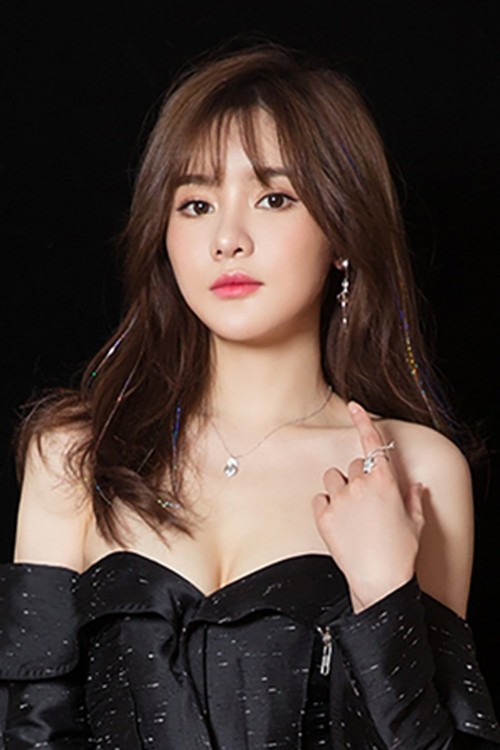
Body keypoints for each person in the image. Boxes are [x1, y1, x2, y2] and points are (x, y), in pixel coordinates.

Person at [0, 44, 498, 749]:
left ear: (344, 231)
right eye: (196, 204)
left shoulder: (415, 468)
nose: (227, 239)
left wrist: (384, 595)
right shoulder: (76, 454)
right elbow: (29, 733)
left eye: (274, 198)